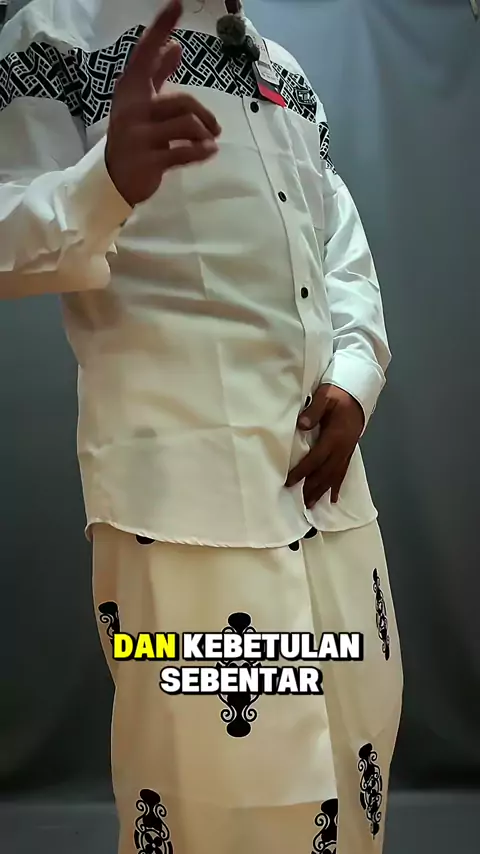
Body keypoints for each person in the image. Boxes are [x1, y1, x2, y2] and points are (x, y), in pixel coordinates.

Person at [0, 0, 403, 851]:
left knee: (359, 749)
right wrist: (105, 182)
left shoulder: (284, 69)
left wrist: (355, 377)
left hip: (329, 498)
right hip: (182, 508)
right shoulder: (56, 34)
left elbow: (340, 245)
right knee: (203, 792)